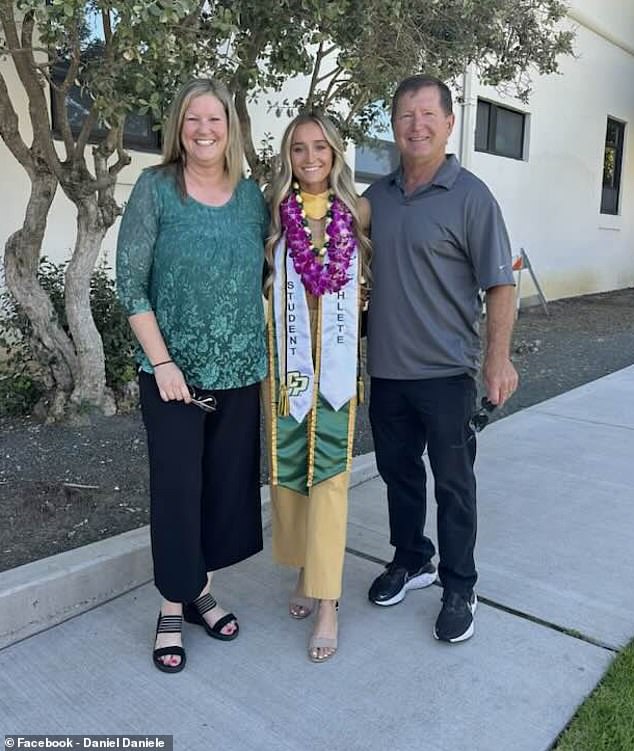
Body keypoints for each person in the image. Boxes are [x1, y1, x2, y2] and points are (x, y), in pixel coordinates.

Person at [116, 78, 268, 672]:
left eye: (216, 120)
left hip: (238, 371)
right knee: (177, 492)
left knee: (223, 489)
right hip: (171, 376)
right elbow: (131, 285)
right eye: (193, 121)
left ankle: (200, 589)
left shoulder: (254, 197)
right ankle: (172, 607)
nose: (205, 131)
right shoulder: (156, 189)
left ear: (231, 128)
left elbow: (270, 268)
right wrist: (162, 363)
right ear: (178, 128)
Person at [364, 75, 519, 643]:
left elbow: (501, 285)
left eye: (428, 114)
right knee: (397, 474)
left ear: (449, 123)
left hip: (448, 373)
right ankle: (413, 559)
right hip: (386, 372)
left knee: (454, 483)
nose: (417, 125)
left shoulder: (471, 195)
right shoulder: (375, 197)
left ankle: (459, 582)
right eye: (405, 114)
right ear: (393, 124)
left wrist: (496, 362)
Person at [264, 112, 370, 662]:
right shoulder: (275, 214)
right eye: (299, 149)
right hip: (285, 360)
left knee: (328, 474)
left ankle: (329, 600)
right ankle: (306, 568)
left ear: (335, 154)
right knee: (292, 471)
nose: (309, 159)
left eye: (320, 148)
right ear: (288, 156)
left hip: (334, 366)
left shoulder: (357, 213)